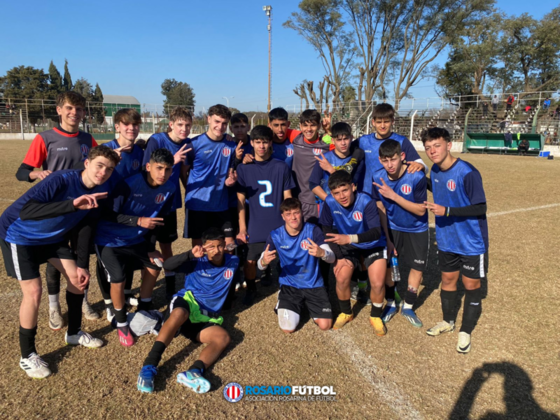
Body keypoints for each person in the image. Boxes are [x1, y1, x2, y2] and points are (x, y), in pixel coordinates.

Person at [0, 146, 119, 378]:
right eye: (100, 166)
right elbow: (27, 211)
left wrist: (82, 263)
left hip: (52, 238)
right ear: (87, 163)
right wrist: (72, 204)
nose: (103, 172)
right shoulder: (60, 180)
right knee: (33, 292)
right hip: (19, 234)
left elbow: (86, 226)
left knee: (78, 279)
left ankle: (74, 333)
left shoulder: (101, 190)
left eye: (110, 169)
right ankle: (27, 355)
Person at [15, 91, 100, 328]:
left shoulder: (87, 139)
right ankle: (54, 308)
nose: (75, 113)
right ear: (59, 110)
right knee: (56, 261)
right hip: (56, 211)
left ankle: (82, 300)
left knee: (81, 258)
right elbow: (22, 172)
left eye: (80, 109)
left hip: (82, 210)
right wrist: (36, 173)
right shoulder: (45, 138)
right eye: (70, 108)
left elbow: (98, 163)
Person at [137, 228, 238, 394]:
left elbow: (230, 284)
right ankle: (149, 366)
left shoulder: (232, 261)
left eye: (219, 246)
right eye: (211, 247)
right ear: (204, 247)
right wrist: (190, 254)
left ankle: (194, 372)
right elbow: (168, 265)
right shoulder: (196, 261)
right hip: (187, 303)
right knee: (180, 314)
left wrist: (229, 302)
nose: (216, 250)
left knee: (223, 337)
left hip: (204, 317)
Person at [95, 149, 176, 347]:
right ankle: (121, 321)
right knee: (119, 279)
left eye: (167, 170)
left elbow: (158, 220)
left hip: (135, 240)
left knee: (155, 264)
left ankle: (145, 304)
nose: (162, 174)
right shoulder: (128, 184)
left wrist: (150, 248)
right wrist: (137, 220)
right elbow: (105, 214)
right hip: (109, 240)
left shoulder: (170, 188)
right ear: (148, 167)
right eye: (158, 168)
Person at [422, 127, 488, 354]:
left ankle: (465, 330)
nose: (432, 151)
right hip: (447, 240)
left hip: (471, 241)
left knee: (471, 285)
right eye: (428, 148)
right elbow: (437, 185)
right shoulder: (436, 171)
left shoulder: (467, 172)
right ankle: (448, 321)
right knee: (448, 281)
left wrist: (447, 211)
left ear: (449, 145)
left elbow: (481, 206)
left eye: (436, 145)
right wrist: (421, 176)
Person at [319, 170, 388, 336]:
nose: (341, 196)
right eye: (336, 193)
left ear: (353, 187)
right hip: (348, 245)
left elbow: (376, 232)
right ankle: (346, 312)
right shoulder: (329, 202)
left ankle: (376, 316)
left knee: (378, 283)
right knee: (341, 278)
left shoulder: (367, 201)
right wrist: (340, 257)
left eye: (345, 190)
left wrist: (349, 238)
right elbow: (326, 229)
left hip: (372, 244)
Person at [371, 140, 429, 328]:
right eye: (385, 160)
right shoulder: (378, 177)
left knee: (417, 267)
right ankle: (391, 303)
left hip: (417, 229)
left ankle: (409, 306)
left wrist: (394, 196)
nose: (390, 165)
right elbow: (380, 206)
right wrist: (387, 237)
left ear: (402, 157)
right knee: (390, 267)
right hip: (393, 228)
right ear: (380, 160)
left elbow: (421, 210)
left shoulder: (416, 176)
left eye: (393, 159)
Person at [236, 125, 295, 305]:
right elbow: (240, 201)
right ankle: (252, 289)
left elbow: (287, 198)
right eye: (258, 142)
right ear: (252, 143)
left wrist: (290, 223)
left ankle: (289, 287)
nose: (261, 146)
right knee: (250, 260)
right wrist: (242, 228)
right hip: (256, 223)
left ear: (270, 143)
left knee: (286, 257)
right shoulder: (244, 168)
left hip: (278, 222)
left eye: (265, 142)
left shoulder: (281, 166)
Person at [258, 198, 334, 333]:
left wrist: (322, 253)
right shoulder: (275, 235)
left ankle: (303, 304)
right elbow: (260, 266)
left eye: (296, 212)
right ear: (283, 216)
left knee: (325, 325)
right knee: (288, 328)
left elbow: (331, 258)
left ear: (301, 213)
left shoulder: (313, 230)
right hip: (290, 285)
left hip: (313, 284)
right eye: (288, 214)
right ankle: (285, 300)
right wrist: (264, 261)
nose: (293, 217)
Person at [99, 108, 146, 315]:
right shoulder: (105, 149)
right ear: (116, 126)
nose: (131, 128)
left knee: (127, 254)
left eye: (135, 125)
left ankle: (125, 293)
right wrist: (108, 160)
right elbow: (83, 171)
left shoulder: (139, 152)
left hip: (130, 212)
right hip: (105, 213)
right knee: (107, 259)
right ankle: (109, 302)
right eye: (126, 124)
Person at [143, 107, 192, 300]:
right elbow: (147, 169)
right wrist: (174, 159)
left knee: (166, 243)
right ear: (171, 124)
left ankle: (170, 279)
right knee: (147, 245)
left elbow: (182, 173)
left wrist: (189, 190)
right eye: (180, 124)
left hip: (170, 202)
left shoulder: (188, 143)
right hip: (151, 202)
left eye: (188, 125)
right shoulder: (157, 140)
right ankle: (143, 285)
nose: (184, 129)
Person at [183, 105, 237, 249]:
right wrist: (189, 190)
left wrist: (230, 179)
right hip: (198, 204)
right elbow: (184, 171)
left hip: (220, 203)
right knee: (199, 245)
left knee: (229, 244)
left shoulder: (231, 145)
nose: (220, 126)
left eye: (224, 123)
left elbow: (231, 169)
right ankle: (201, 270)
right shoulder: (194, 144)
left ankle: (227, 271)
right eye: (217, 122)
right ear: (208, 119)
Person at [356, 103, 426, 198]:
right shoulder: (363, 141)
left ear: (392, 121)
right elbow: (342, 147)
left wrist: (420, 166)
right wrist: (329, 130)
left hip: (391, 197)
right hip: (366, 195)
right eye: (379, 122)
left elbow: (421, 164)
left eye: (386, 121)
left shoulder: (401, 141)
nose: (383, 125)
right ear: (373, 122)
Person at [309, 121, 365, 212]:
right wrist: (330, 200)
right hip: (328, 211)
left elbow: (352, 183)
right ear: (332, 140)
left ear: (351, 138)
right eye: (339, 140)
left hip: (349, 211)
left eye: (346, 138)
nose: (343, 143)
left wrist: (331, 170)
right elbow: (313, 184)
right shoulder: (324, 158)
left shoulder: (357, 160)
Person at [292, 110, 331, 223]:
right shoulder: (295, 139)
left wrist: (328, 130)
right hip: (298, 200)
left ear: (319, 125)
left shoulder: (326, 145)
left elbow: (342, 148)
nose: (308, 129)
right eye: (305, 125)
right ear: (300, 126)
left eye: (313, 125)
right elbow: (277, 130)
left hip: (317, 201)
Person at [229, 113, 253, 291]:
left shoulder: (255, 143)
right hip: (233, 200)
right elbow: (228, 171)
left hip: (254, 200)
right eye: (236, 127)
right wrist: (237, 160)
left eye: (242, 126)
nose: (239, 130)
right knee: (236, 237)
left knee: (251, 236)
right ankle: (236, 273)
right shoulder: (228, 145)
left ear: (248, 127)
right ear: (231, 129)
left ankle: (256, 270)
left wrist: (247, 162)